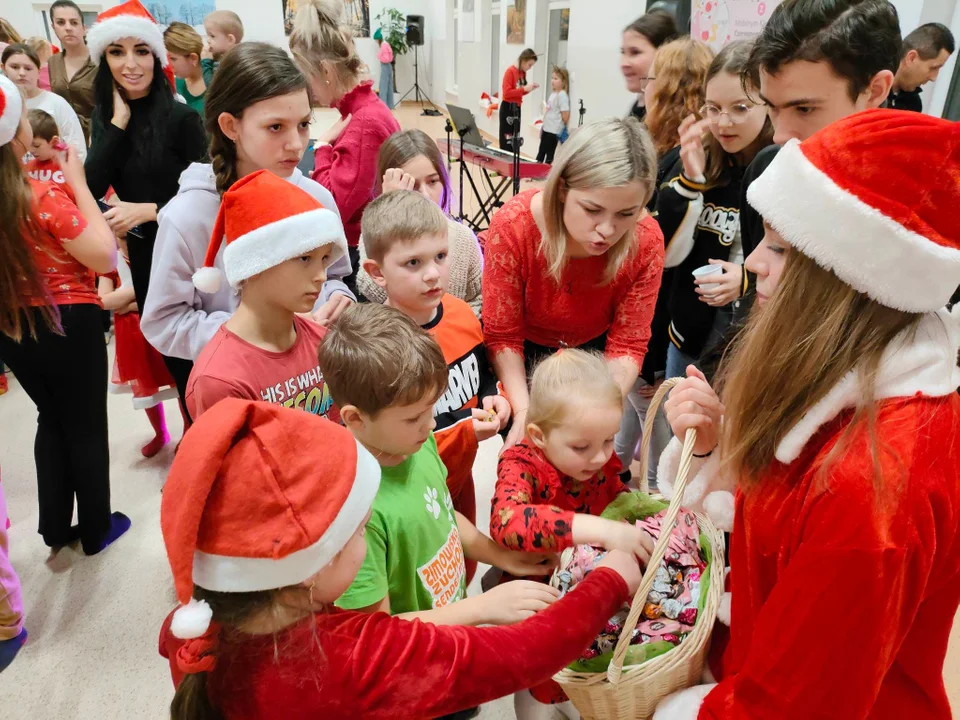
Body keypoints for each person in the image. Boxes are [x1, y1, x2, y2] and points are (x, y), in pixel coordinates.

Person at [652, 110, 960, 720]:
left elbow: (794, 705)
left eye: (782, 248)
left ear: (851, 279)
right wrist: (715, 454)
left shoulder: (870, 488)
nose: (757, 263)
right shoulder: (851, 384)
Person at [157, 398, 644, 719]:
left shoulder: (195, 631)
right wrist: (610, 580)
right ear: (312, 568)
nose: (366, 538)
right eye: (358, 529)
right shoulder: (354, 656)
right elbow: (526, 653)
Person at [141, 43, 354, 416]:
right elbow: (164, 321)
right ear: (230, 126)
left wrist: (339, 299)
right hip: (235, 397)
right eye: (275, 127)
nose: (296, 144)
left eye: (304, 124)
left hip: (313, 389)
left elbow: (336, 275)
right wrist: (251, 334)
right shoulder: (188, 215)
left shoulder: (316, 198)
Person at [317, 303, 557, 621]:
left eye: (431, 409)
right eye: (414, 417)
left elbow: (443, 515)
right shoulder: (355, 516)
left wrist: (501, 555)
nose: (431, 425)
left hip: (451, 629)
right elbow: (374, 633)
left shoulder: (414, 443)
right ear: (355, 418)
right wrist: (481, 608)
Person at [0, 74, 129, 555]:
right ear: (18, 138)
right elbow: (105, 258)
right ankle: (96, 528)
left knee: (50, 417)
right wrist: (77, 183)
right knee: (86, 425)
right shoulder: (41, 197)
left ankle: (55, 528)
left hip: (11, 326)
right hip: (67, 321)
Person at [483, 117, 664, 453]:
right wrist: (524, 411)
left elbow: (627, 344)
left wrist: (596, 412)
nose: (608, 230)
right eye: (593, 209)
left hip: (593, 358)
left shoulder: (646, 240)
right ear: (563, 189)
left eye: (627, 213)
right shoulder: (514, 226)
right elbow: (503, 335)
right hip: (523, 353)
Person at [492, 349, 656, 718]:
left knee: (587, 678)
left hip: (593, 594)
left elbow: (615, 494)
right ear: (539, 435)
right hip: (539, 601)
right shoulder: (521, 462)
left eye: (609, 441)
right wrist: (597, 529)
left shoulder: (595, 455)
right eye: (581, 447)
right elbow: (507, 522)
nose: (599, 457)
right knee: (541, 686)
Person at [359, 191, 508, 582]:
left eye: (440, 256)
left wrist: (495, 394)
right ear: (377, 272)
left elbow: (481, 368)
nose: (433, 273)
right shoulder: (381, 347)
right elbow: (393, 435)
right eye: (413, 262)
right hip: (411, 489)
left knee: (463, 566)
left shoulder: (458, 312)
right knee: (425, 577)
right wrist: (464, 425)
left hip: (461, 474)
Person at [733, 0, 899, 326]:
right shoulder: (769, 170)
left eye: (804, 109)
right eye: (772, 107)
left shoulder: (919, 213)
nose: (780, 135)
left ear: (875, 89)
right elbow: (758, 299)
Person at [84, 0, 207, 414]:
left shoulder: (181, 119)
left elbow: (214, 192)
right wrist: (116, 125)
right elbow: (90, 187)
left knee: (200, 358)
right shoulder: (107, 119)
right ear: (104, 60)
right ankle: (196, 442)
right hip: (144, 254)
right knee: (173, 358)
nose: (130, 63)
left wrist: (151, 209)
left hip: (189, 251)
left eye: (141, 50)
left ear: (156, 57)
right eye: (117, 52)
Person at [613, 37, 713, 487]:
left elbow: (664, 255)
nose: (642, 86)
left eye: (650, 77)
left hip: (663, 321)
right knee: (635, 419)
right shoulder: (671, 152)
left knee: (655, 431)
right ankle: (617, 477)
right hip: (663, 322)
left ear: (668, 87)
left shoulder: (681, 163)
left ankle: (650, 504)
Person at [186, 170, 347, 419]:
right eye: (304, 258)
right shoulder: (220, 380)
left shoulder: (323, 342)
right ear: (255, 265)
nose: (322, 276)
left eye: (324, 258)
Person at [658, 40, 773, 380]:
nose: (724, 122)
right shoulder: (700, 158)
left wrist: (747, 279)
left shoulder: (779, 166)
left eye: (740, 108)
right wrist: (691, 182)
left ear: (767, 104)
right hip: (690, 333)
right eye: (712, 108)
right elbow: (668, 255)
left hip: (751, 338)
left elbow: (801, 266)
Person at [289, 0, 401, 293]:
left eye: (308, 76)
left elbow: (334, 206)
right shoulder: (360, 113)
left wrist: (323, 147)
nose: (309, 88)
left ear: (325, 70)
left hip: (357, 255)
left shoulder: (364, 123)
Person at [357, 128, 484, 315]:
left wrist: (454, 322)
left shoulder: (463, 238)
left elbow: (479, 298)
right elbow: (371, 290)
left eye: (432, 182)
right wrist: (390, 207)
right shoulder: (374, 233)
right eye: (412, 186)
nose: (425, 195)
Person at [98, 259, 176, 458]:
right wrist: (143, 293)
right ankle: (160, 432)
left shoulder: (152, 249)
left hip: (161, 324)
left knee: (177, 376)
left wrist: (129, 303)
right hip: (132, 333)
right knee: (143, 382)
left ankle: (188, 429)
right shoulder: (111, 262)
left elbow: (169, 286)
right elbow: (103, 300)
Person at [2, 44, 86, 159]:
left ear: (38, 71)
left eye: (28, 68)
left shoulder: (57, 103)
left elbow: (77, 148)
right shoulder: (4, 107)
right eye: (15, 67)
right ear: (3, 68)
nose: (22, 73)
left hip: (55, 175)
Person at [47, 0, 96, 143]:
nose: (68, 28)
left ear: (83, 27)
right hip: (65, 136)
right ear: (53, 27)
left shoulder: (100, 60)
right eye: (61, 22)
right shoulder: (53, 62)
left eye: (74, 22)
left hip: (97, 135)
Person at [621, 10, 679, 121]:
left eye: (635, 52)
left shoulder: (671, 117)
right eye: (623, 52)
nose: (624, 63)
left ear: (664, 53)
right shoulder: (638, 106)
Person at [890, 22, 955, 112]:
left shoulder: (913, 104)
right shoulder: (869, 89)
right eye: (933, 68)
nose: (933, 78)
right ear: (911, 58)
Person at [163, 22, 212, 116]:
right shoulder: (174, 85)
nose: (168, 65)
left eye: (173, 59)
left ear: (193, 58)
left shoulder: (214, 82)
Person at [24, 109, 74, 196]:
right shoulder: (27, 168)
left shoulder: (68, 167)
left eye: (36, 146)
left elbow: (77, 195)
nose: (31, 150)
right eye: (28, 145)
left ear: (53, 141)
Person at [500, 48, 539, 152]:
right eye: (529, 65)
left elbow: (519, 92)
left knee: (515, 140)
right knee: (507, 140)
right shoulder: (510, 71)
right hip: (507, 107)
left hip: (517, 108)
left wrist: (529, 89)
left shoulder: (522, 73)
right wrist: (524, 89)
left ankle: (514, 165)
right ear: (524, 60)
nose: (530, 68)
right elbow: (507, 93)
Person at [536, 66, 570, 164]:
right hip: (547, 129)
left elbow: (565, 116)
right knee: (541, 152)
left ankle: (545, 176)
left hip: (553, 131)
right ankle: (535, 173)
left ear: (563, 81)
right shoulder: (553, 94)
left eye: (556, 78)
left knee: (549, 155)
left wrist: (557, 126)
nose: (552, 81)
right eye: (552, 78)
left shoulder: (562, 95)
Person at [374, 27, 394, 110]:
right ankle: (389, 106)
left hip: (385, 66)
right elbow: (391, 57)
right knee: (389, 87)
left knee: (383, 87)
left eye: (375, 40)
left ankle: (383, 107)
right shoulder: (386, 44)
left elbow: (386, 59)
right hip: (389, 67)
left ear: (378, 39)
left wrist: (378, 56)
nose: (375, 42)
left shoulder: (383, 46)